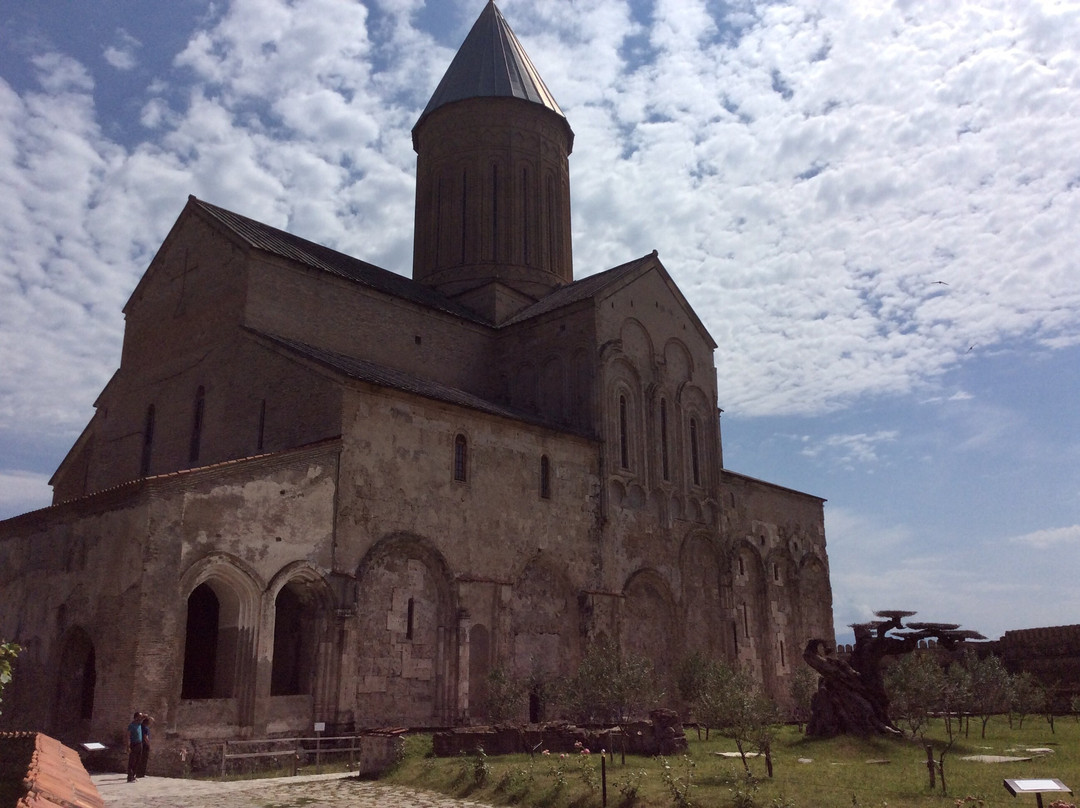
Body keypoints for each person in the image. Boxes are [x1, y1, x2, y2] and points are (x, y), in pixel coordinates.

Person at [126, 712, 144, 782]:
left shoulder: (139, 724)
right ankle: (129, 777)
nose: (141, 718)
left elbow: (146, 717)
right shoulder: (131, 725)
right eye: (139, 716)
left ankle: (134, 775)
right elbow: (127, 736)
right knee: (132, 761)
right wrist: (128, 746)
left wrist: (142, 715)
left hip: (140, 744)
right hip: (133, 744)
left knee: (137, 760)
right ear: (136, 717)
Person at [137, 713, 153, 778]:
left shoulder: (140, 726)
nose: (151, 723)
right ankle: (141, 774)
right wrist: (149, 744)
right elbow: (145, 737)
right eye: (151, 722)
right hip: (145, 744)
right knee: (144, 759)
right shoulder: (145, 728)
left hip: (140, 744)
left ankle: (139, 773)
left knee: (141, 758)